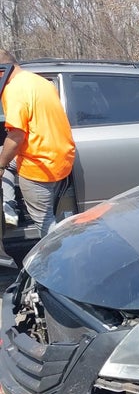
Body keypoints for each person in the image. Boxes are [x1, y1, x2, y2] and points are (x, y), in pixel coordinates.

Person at [0, 48, 75, 252]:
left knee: (44, 222)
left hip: (38, 164)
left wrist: (1, 165)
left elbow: (16, 136)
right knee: (4, 160)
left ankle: (64, 258)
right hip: (58, 155)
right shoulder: (39, 81)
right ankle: (10, 211)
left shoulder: (13, 89)